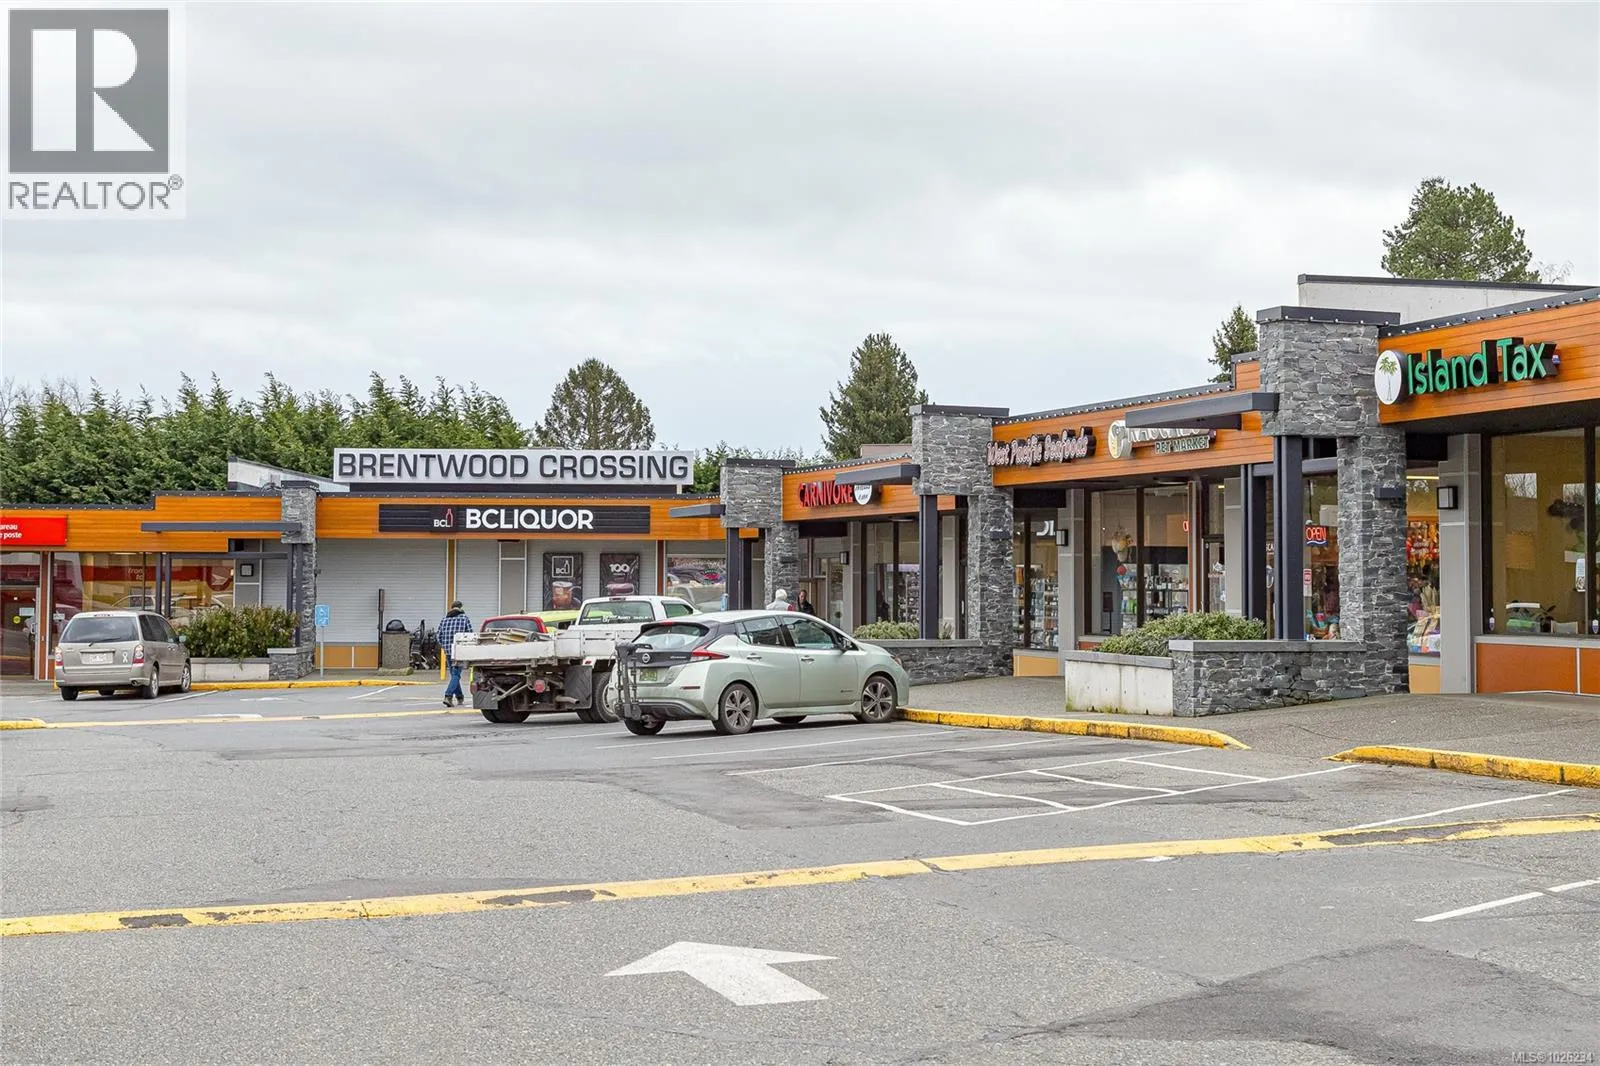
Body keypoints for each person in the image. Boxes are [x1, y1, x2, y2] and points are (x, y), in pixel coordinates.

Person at [436, 600, 474, 707]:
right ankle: (448, 696)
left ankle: (459, 697)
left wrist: (444, 646)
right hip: (459, 651)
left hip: (448, 651)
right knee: (456, 674)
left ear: (452, 608)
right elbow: (470, 634)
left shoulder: (444, 619)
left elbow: (438, 635)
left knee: (454, 674)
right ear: (460, 608)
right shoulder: (464, 618)